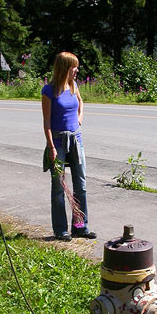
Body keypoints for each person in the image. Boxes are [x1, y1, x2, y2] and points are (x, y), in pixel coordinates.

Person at [41, 51, 96, 242]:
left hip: (76, 139)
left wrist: (80, 118)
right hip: (57, 141)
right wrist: (52, 147)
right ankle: (60, 230)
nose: (77, 71)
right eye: (74, 67)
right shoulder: (49, 91)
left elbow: (80, 102)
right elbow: (47, 122)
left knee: (80, 184)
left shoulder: (73, 86)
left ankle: (80, 226)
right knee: (58, 185)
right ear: (65, 68)